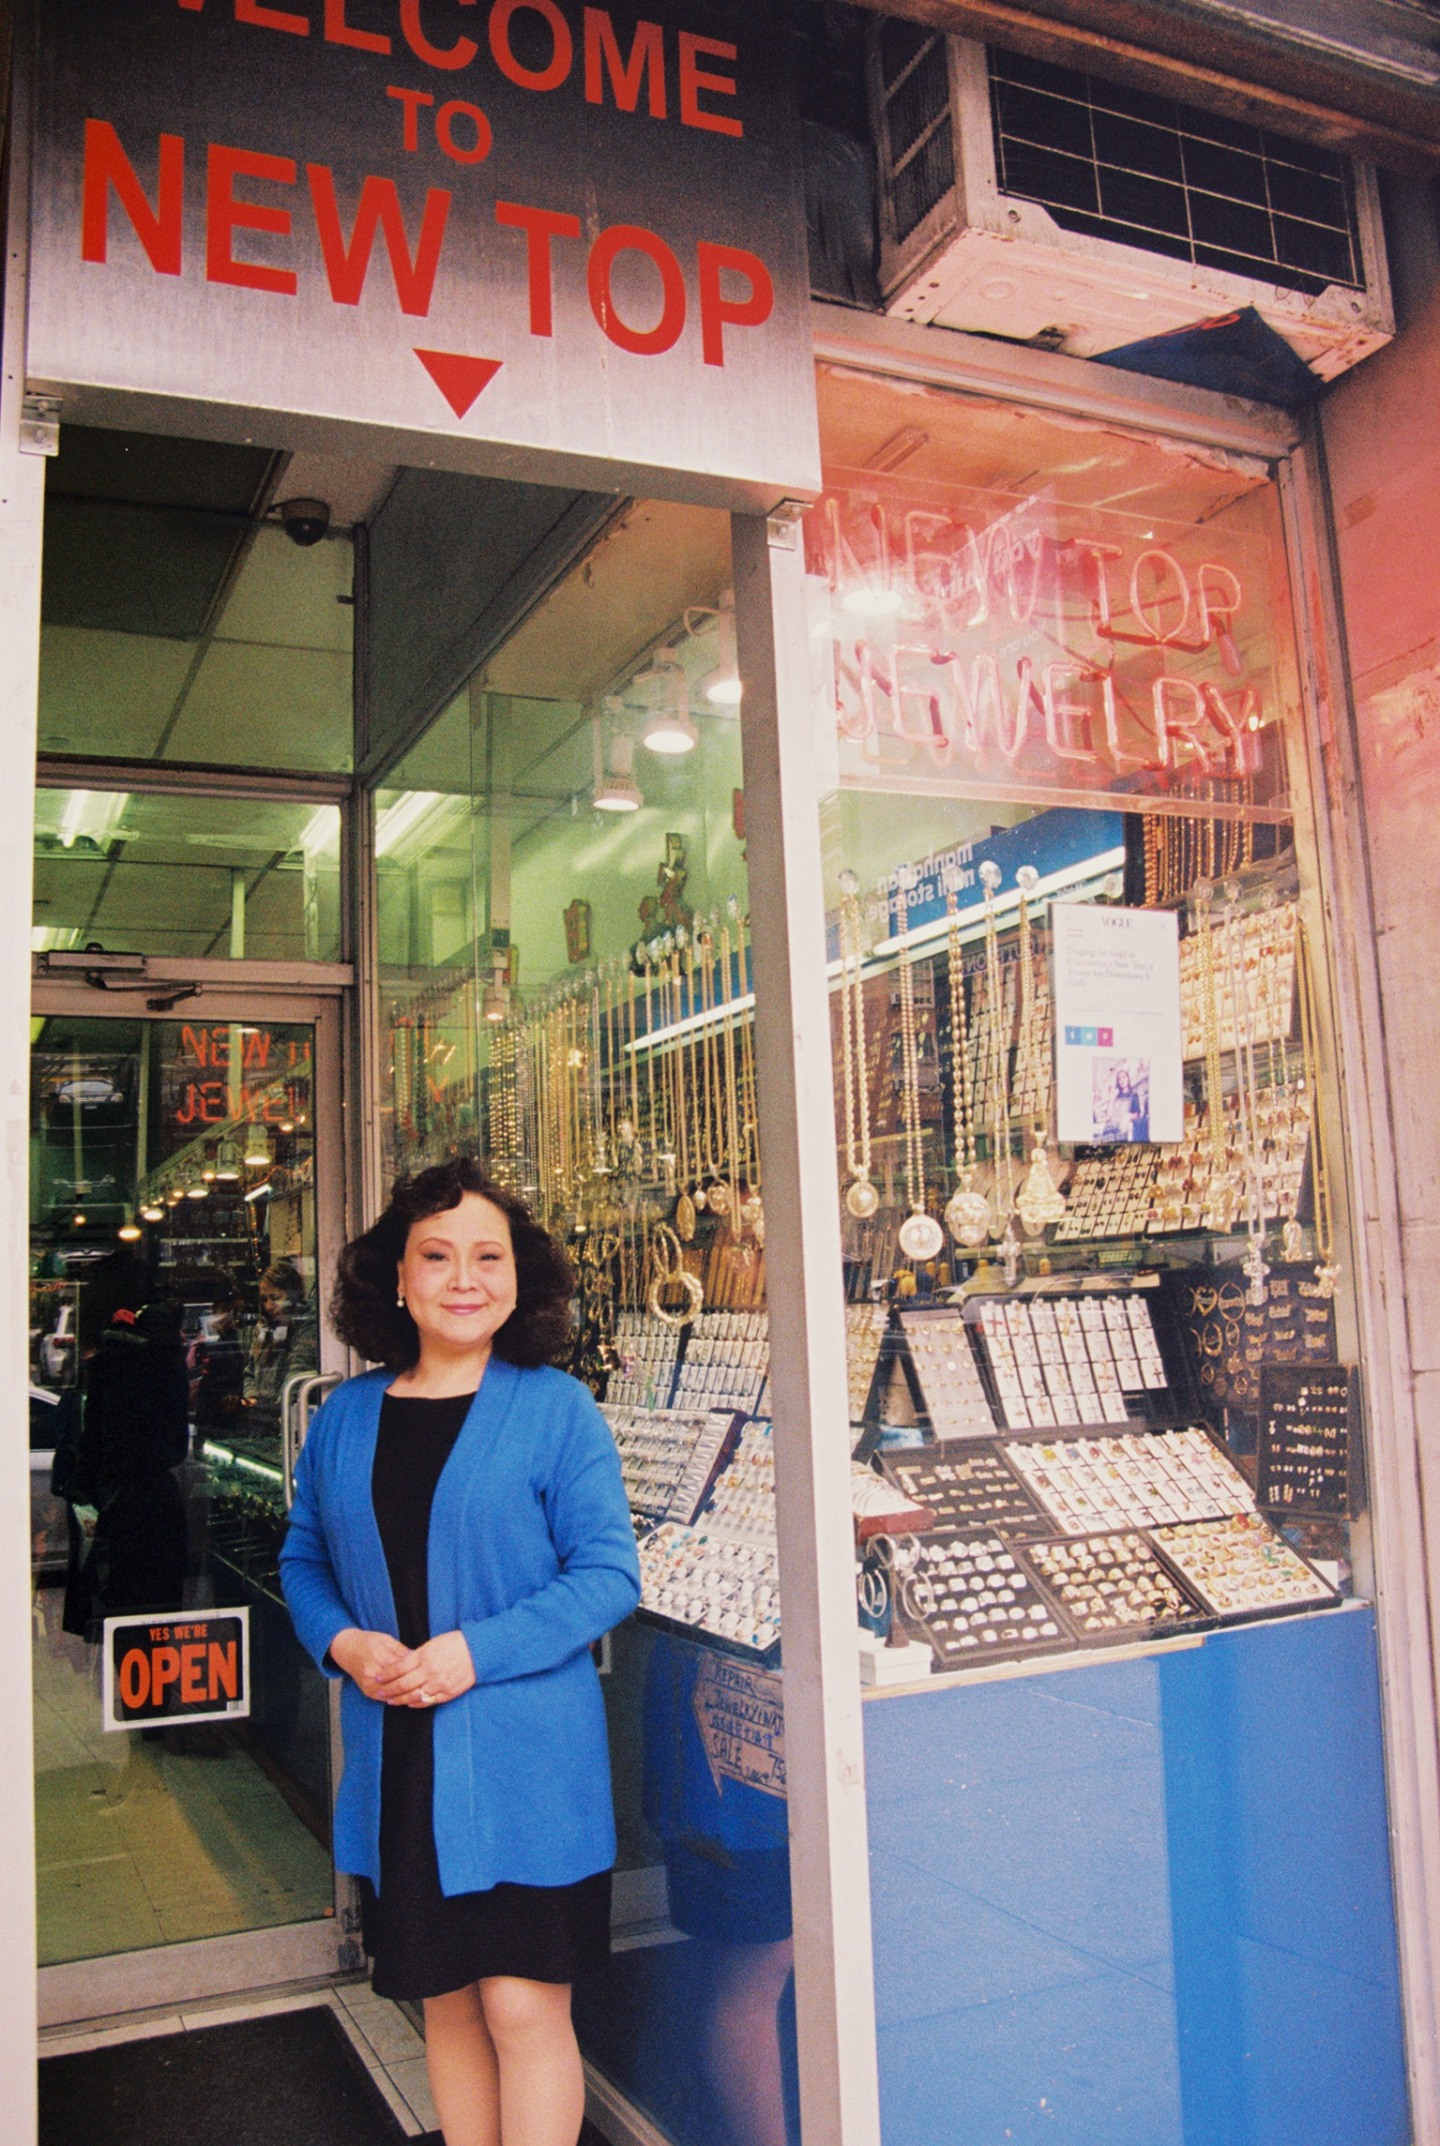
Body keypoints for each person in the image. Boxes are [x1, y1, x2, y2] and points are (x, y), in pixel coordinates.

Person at [280, 1157, 640, 2146]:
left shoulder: (555, 1409)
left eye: (489, 1255)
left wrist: (474, 1652)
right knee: (443, 2001)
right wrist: (345, 1642)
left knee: (524, 2008)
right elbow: (303, 1559)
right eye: (436, 1255)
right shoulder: (345, 1416)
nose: (464, 1276)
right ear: (396, 1276)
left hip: (527, 1767)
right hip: (401, 1762)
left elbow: (609, 1575)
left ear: (520, 1275)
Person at [246, 1260, 318, 1435]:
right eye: (265, 1300)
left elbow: (298, 1368)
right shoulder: (263, 1327)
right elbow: (250, 1369)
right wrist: (252, 1395)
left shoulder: (306, 1325)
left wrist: (281, 1409)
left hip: (286, 1413)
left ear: (292, 1295)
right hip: (262, 1413)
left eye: (276, 1298)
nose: (269, 1306)